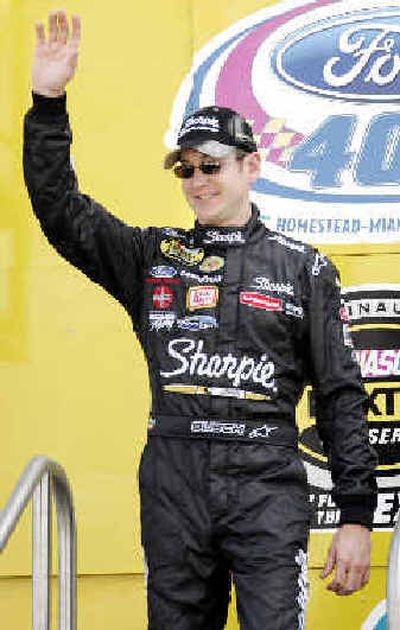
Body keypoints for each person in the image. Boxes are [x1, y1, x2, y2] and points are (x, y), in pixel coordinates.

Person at [24, 11, 377, 630]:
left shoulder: (304, 268)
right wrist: (48, 103)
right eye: (185, 168)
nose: (196, 181)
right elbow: (61, 212)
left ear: (250, 166)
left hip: (267, 480)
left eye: (211, 166)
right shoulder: (150, 259)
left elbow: (342, 396)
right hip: (174, 477)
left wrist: (355, 516)